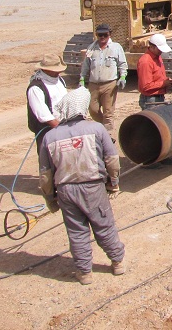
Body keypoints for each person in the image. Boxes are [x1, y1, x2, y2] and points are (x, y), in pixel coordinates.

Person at [39, 87, 125, 286]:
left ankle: (84, 272)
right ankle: (117, 262)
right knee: (104, 226)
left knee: (77, 232)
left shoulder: (50, 137)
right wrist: (114, 183)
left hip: (66, 191)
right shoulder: (96, 129)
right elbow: (111, 159)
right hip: (93, 187)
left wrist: (50, 198)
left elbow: (45, 174)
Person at [80, 23, 127, 141]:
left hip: (109, 84)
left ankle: (108, 136)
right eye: (99, 35)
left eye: (105, 35)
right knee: (93, 109)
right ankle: (103, 127)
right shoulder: (91, 48)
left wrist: (122, 77)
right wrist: (81, 78)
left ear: (109, 34)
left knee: (108, 111)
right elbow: (85, 65)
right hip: (93, 84)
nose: (102, 37)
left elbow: (122, 64)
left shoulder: (116, 47)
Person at [27, 53, 68, 138]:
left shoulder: (60, 80)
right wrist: (63, 131)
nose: (59, 71)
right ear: (47, 70)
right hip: (47, 131)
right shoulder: (36, 88)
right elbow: (44, 116)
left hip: (64, 126)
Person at [137, 33, 172, 109]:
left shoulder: (158, 57)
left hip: (158, 97)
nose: (161, 51)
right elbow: (146, 86)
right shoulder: (146, 62)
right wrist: (163, 84)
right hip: (150, 100)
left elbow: (157, 76)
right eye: (159, 49)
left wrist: (167, 81)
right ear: (151, 47)